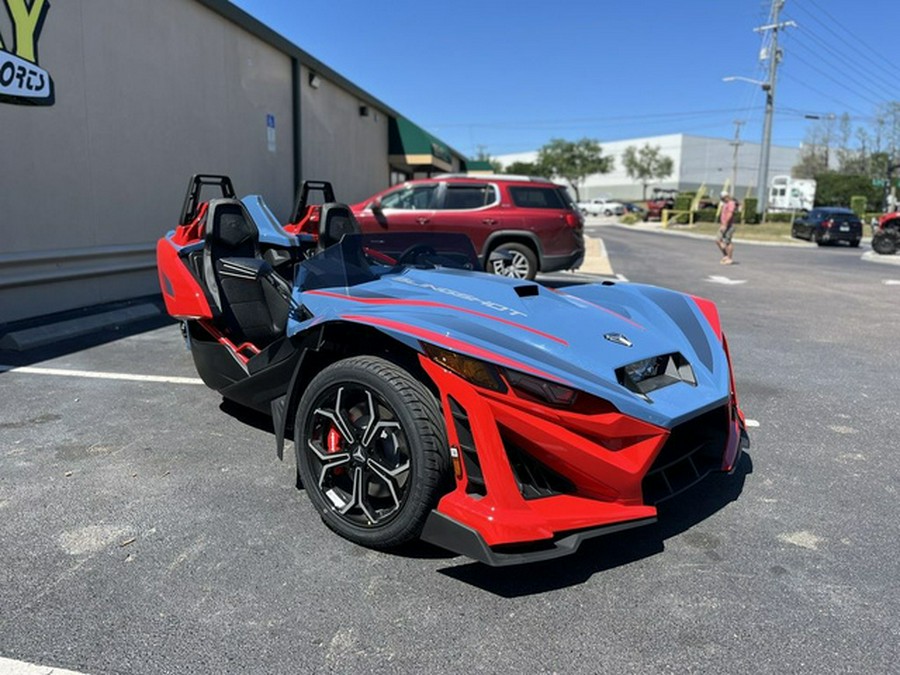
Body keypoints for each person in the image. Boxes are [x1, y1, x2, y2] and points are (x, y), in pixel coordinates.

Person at [717, 191, 737, 264]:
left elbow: (730, 214)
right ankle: (726, 255)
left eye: (722, 198)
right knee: (718, 240)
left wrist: (725, 224)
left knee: (728, 242)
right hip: (723, 225)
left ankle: (729, 258)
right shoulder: (725, 204)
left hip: (729, 225)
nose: (722, 200)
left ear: (726, 197)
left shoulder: (731, 203)